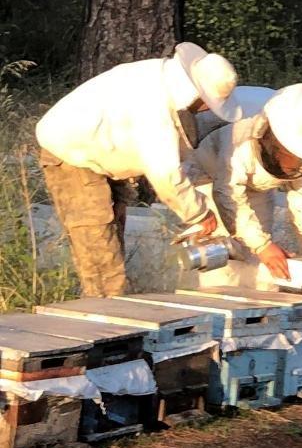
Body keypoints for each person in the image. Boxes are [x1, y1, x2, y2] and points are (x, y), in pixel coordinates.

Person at [36, 43, 242, 297]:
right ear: (195, 92)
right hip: (72, 158)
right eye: (206, 103)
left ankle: (109, 309)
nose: (206, 109)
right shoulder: (153, 103)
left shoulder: (163, 80)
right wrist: (199, 214)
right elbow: (165, 174)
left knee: (112, 245)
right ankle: (106, 323)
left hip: (103, 155)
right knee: (101, 258)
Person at [185, 83, 302, 279]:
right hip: (204, 166)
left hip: (253, 184)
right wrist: (262, 245)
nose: (292, 164)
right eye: (288, 154)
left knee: (260, 263)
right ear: (272, 134)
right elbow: (226, 191)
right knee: (219, 257)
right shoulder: (242, 131)